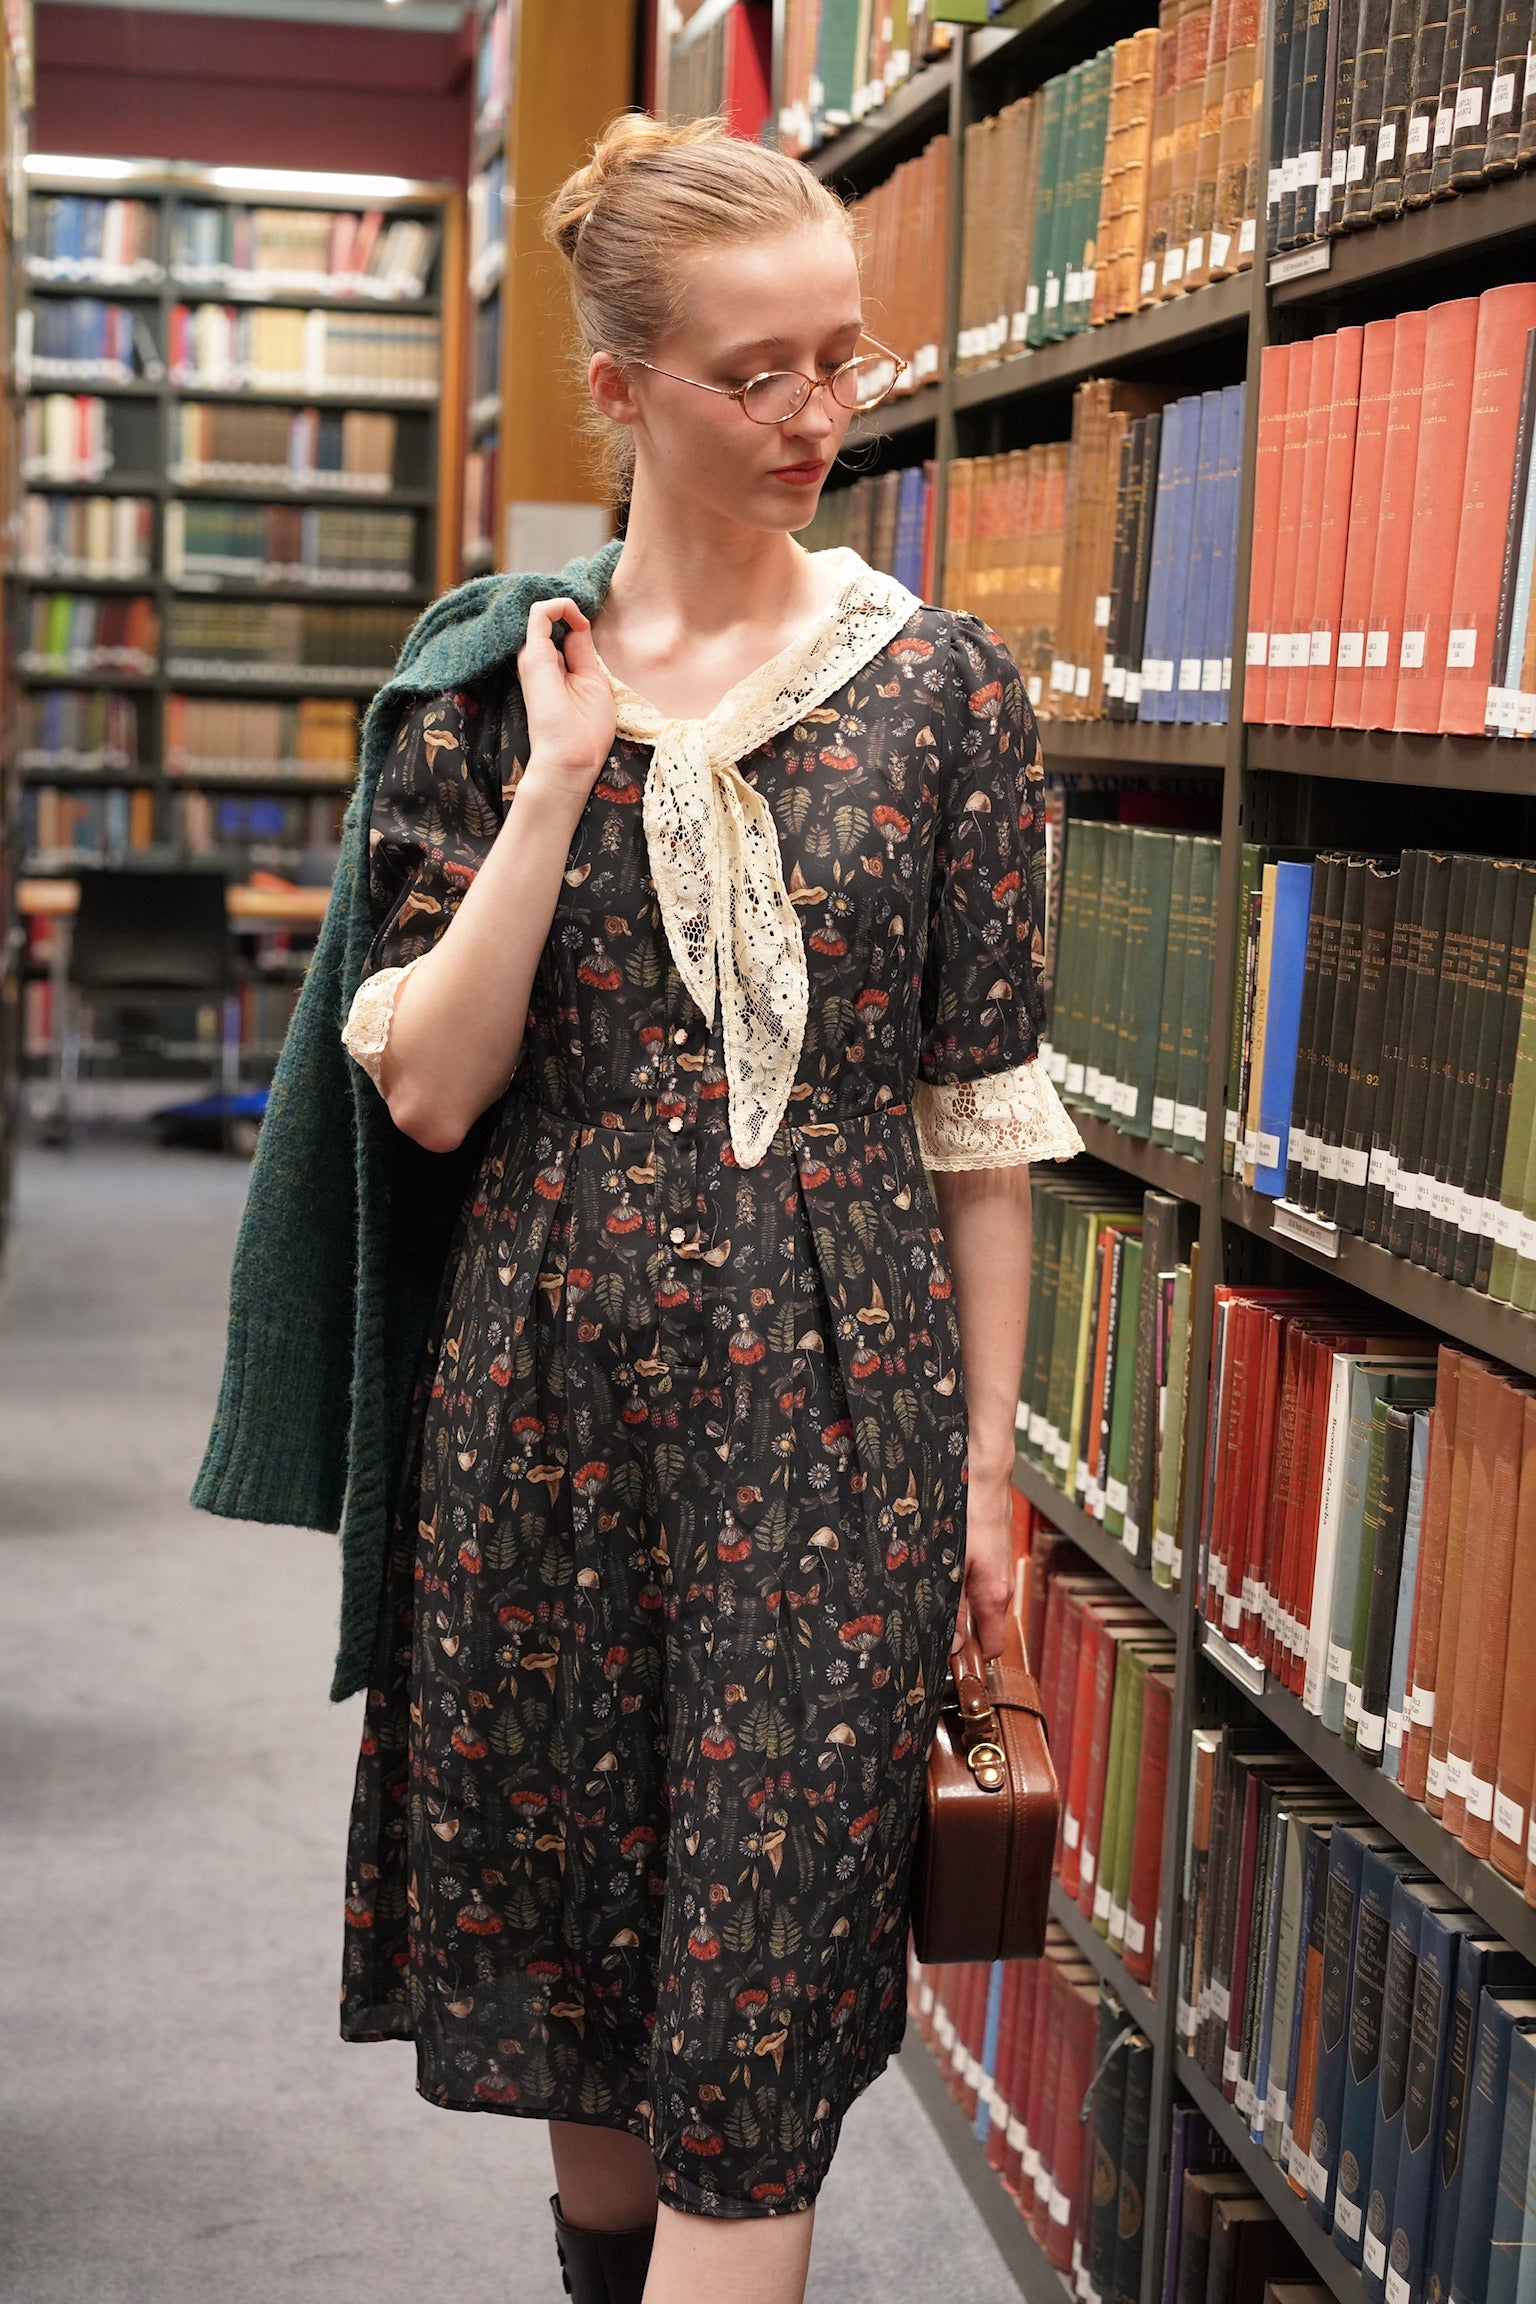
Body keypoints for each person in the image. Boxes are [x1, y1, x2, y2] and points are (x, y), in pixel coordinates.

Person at [332, 111, 1082, 2304]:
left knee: (751, 2056)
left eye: (842, 359)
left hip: (832, 1423)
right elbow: (435, 1088)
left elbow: (978, 1125)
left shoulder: (944, 695)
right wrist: (562, 780)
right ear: (625, 390)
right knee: (589, 2003)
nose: (816, 413)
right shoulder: (486, 694)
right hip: (541, 1418)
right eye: (757, 375)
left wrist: (984, 1468)